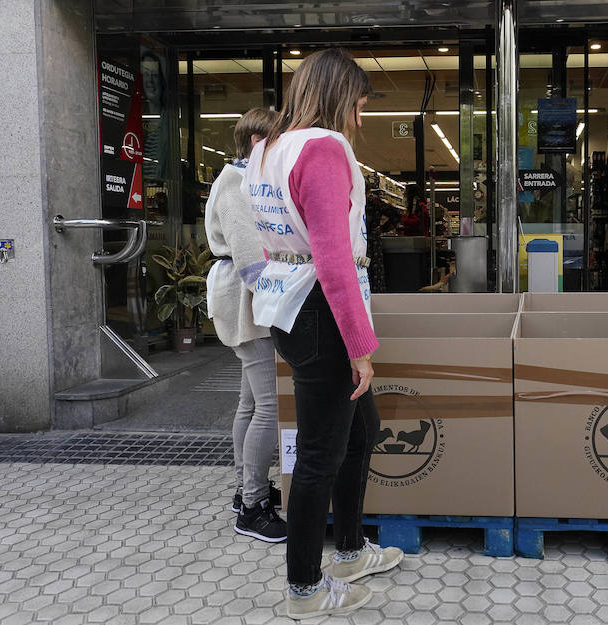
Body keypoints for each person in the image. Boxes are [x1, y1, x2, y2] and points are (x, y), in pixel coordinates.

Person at [243, 48, 402, 620]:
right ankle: (305, 589)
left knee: (362, 430)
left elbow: (272, 237)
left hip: (289, 304)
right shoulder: (324, 149)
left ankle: (352, 551)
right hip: (323, 311)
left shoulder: (267, 150)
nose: (360, 118)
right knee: (319, 455)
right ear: (339, 98)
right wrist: (361, 346)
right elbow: (334, 259)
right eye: (358, 105)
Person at [206, 108, 287, 543]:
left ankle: (245, 491)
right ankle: (253, 506)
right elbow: (249, 254)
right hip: (248, 300)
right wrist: (279, 298)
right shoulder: (236, 182)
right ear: (258, 141)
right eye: (279, 139)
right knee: (268, 406)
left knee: (251, 403)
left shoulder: (244, 178)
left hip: (245, 296)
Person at [364, 188, 402, 293]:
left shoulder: (350, 201)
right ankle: (377, 295)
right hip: (373, 241)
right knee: (375, 272)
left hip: (356, 241)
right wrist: (383, 228)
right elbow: (396, 215)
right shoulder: (375, 202)